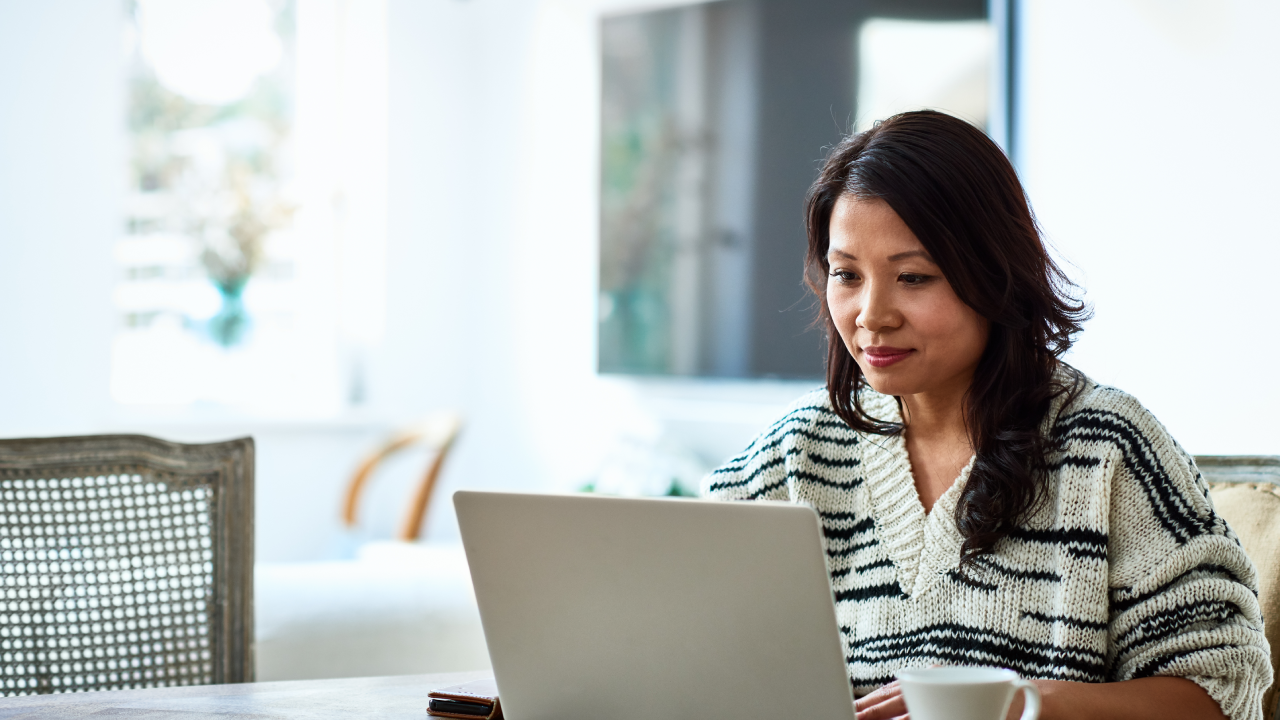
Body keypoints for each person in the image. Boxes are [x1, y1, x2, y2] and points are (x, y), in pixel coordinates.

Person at [702, 111, 1270, 720]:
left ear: (994, 273)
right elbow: (679, 640)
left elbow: (1220, 691)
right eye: (846, 275)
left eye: (913, 277)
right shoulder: (796, 452)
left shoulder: (1108, 448)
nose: (872, 314)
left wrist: (1029, 703)